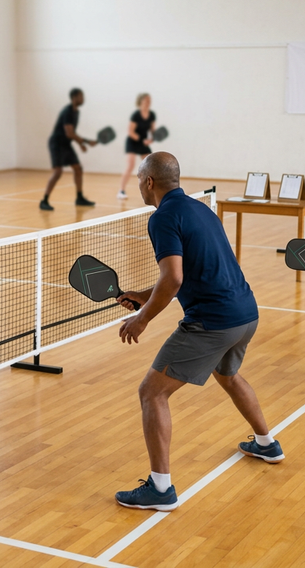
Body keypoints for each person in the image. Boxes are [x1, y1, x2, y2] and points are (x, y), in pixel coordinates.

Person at [113, 152, 283, 512]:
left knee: (151, 392)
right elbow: (191, 271)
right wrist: (144, 295)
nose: (139, 185)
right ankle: (267, 444)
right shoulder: (200, 209)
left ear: (148, 182)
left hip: (213, 320)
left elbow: (173, 278)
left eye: (139, 180)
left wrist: (143, 317)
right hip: (245, 312)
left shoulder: (162, 218)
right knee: (229, 375)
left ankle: (160, 489)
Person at [40, 88, 96, 211]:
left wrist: (81, 143)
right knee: (58, 172)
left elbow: (71, 133)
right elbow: (69, 133)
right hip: (57, 143)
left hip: (66, 144)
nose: (83, 98)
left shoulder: (76, 112)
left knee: (78, 168)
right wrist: (86, 142)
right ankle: (44, 200)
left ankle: (79, 198)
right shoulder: (68, 112)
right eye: (81, 96)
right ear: (74, 97)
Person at [118, 93, 156, 200]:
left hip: (143, 142)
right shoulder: (136, 115)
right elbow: (130, 132)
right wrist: (141, 140)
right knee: (130, 165)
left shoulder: (152, 115)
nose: (148, 102)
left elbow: (153, 132)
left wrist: (151, 139)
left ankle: (153, 191)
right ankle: (121, 191)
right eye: (146, 100)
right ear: (141, 101)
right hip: (132, 141)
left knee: (151, 166)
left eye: (149, 100)